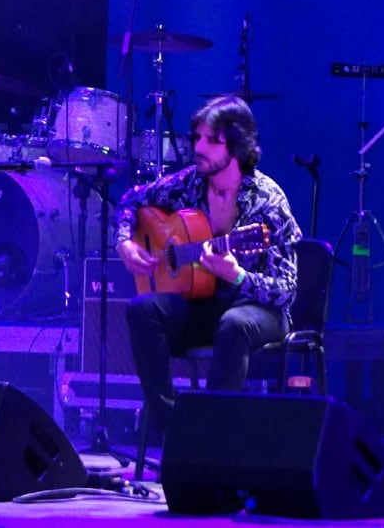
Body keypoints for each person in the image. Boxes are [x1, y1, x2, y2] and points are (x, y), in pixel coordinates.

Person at [114, 94, 301, 440]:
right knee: (142, 309)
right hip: (202, 304)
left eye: (211, 141)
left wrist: (238, 276)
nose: (199, 147)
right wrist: (124, 241)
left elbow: (286, 289)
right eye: (197, 138)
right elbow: (131, 199)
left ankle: (212, 437)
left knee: (234, 323)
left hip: (258, 312)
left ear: (237, 147)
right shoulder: (188, 183)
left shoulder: (268, 201)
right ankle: (173, 429)